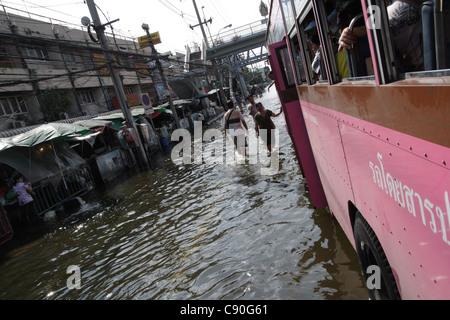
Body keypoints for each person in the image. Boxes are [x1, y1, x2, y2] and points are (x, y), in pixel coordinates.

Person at [337, 0, 424, 73]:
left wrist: (350, 32)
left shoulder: (391, 13)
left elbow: (374, 31)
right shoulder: (410, 4)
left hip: (420, 75)